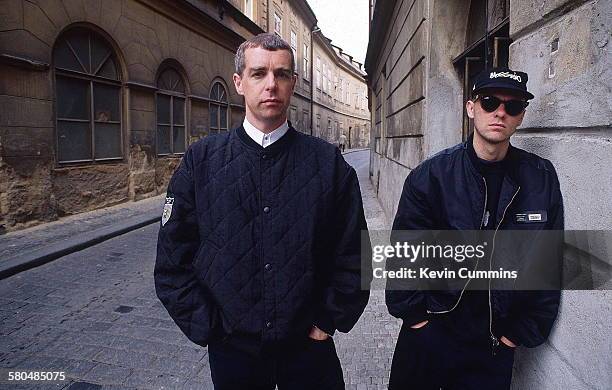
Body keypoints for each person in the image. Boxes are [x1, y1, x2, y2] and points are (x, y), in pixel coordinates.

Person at [154, 33, 372, 390]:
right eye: (259, 73)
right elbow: (171, 261)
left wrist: (327, 319)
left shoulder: (327, 163)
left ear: (293, 84)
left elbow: (355, 253)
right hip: (233, 354)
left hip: (308, 351)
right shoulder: (202, 161)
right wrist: (209, 327)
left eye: (281, 74)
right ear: (240, 82)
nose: (271, 84)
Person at [386, 67, 563, 389]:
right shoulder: (432, 176)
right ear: (471, 108)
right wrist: (416, 319)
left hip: (494, 345)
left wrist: (519, 333)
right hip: (429, 332)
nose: (500, 112)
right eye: (489, 102)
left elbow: (549, 260)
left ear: (521, 116)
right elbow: (403, 255)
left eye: (512, 106)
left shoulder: (540, 177)